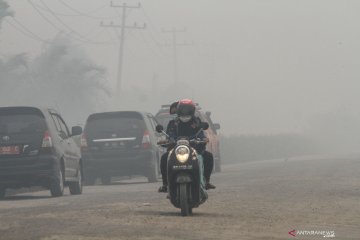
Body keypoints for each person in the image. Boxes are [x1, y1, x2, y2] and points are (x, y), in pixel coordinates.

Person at [158, 99, 216, 192]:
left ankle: (206, 182)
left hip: (194, 149)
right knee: (164, 158)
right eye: (183, 109)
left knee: (209, 157)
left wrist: (202, 140)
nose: (185, 112)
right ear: (178, 110)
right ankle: (165, 184)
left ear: (192, 110)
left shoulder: (197, 122)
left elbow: (201, 134)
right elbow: (169, 135)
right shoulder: (173, 123)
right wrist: (169, 140)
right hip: (177, 150)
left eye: (187, 109)